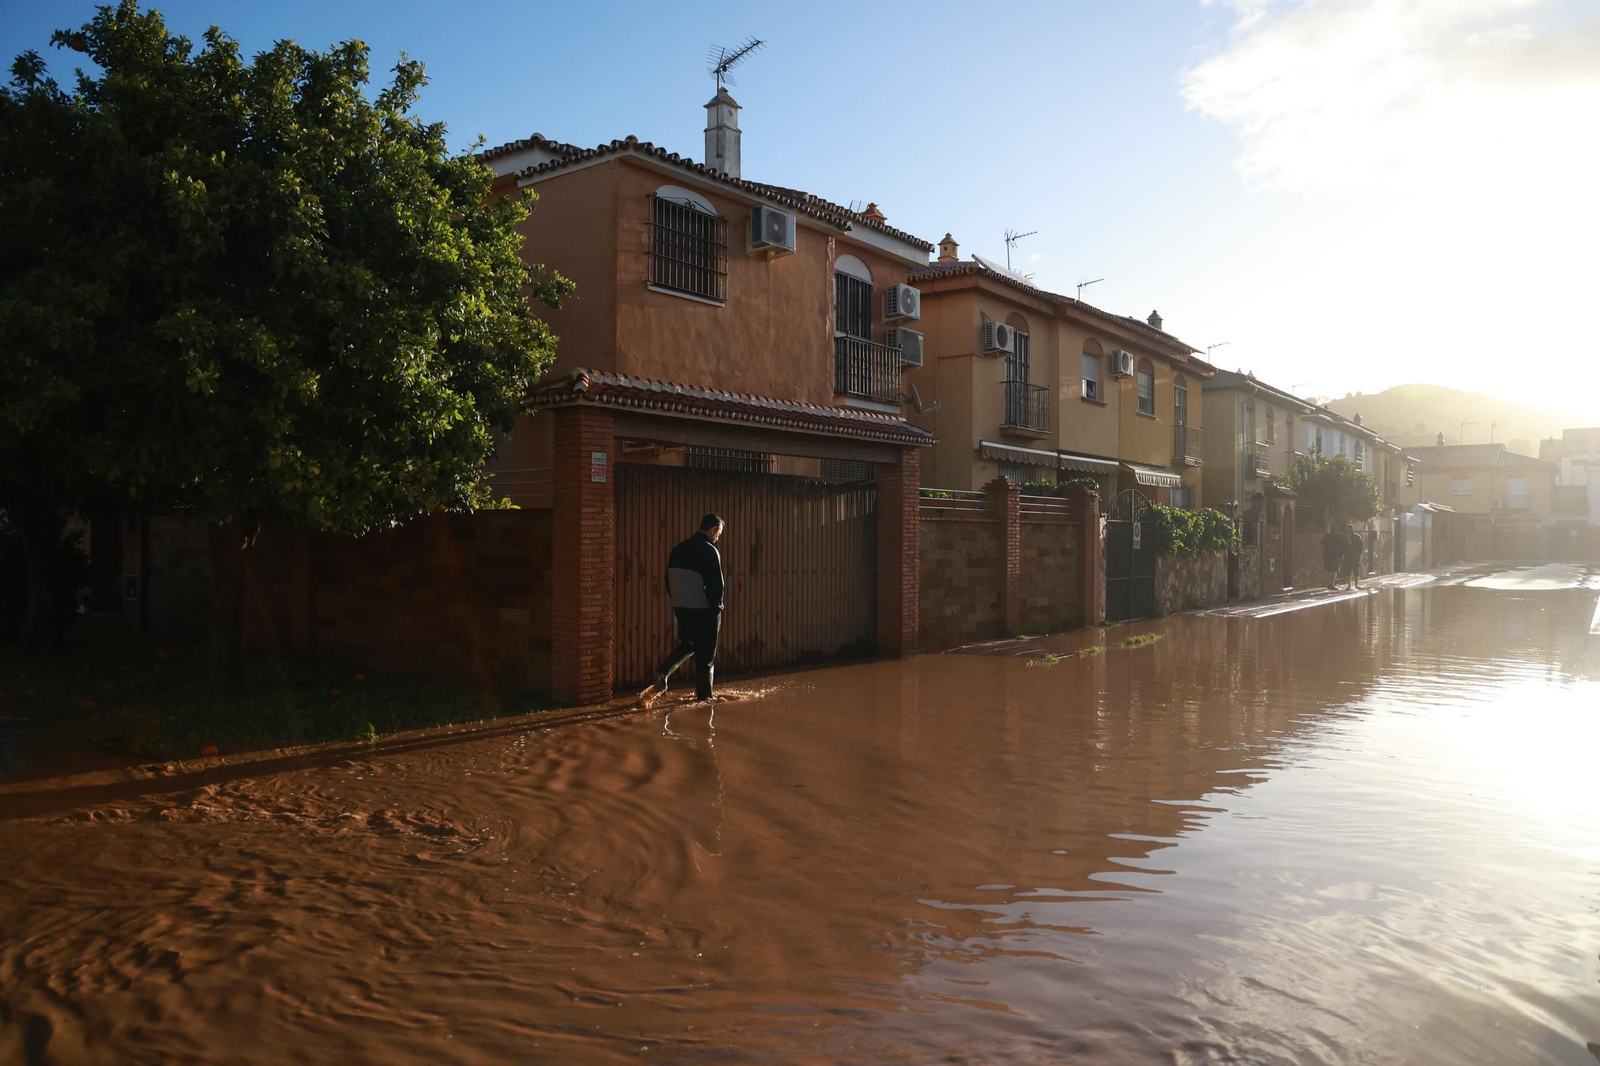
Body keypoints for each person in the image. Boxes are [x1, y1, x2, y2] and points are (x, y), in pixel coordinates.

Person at [651, 513, 725, 702]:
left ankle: (662, 673)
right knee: (706, 657)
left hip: (681, 608)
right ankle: (705, 701)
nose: (717, 538)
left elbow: (668, 579)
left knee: (689, 644)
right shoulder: (709, 550)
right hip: (703, 610)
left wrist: (678, 600)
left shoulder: (678, 549)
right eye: (718, 534)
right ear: (713, 530)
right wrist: (717, 608)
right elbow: (716, 584)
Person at [1320, 526, 1346, 590]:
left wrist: (1324, 552)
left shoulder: (1327, 536)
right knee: (1334, 571)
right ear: (1336, 530)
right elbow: (1343, 546)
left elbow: (1322, 545)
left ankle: (1329, 583)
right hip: (1336, 556)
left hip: (1327, 555)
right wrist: (1342, 555)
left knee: (1328, 570)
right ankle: (1332, 584)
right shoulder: (1339, 537)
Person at [1344, 523, 1365, 589]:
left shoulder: (1357, 537)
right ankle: (1349, 585)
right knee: (1349, 571)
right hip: (1349, 556)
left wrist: (1359, 554)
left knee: (1355, 571)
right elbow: (1343, 545)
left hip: (1355, 556)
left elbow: (1360, 546)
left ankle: (1354, 585)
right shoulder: (1345, 537)